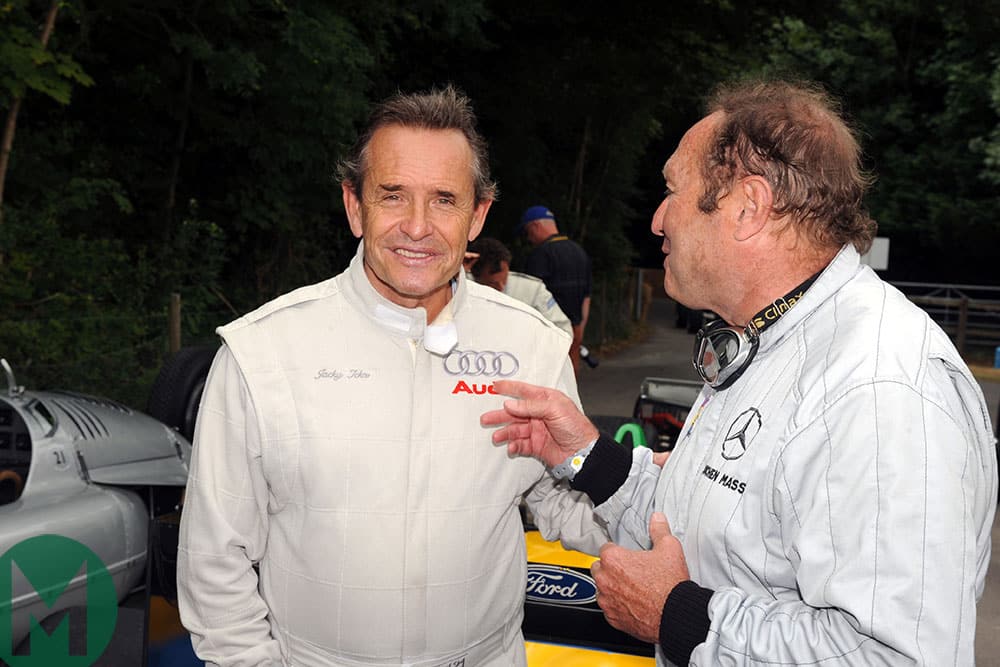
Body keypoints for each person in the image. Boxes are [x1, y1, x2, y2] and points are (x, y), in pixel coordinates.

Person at [482, 80, 998, 665]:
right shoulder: (772, 342)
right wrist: (586, 456)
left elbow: (893, 655)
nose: (656, 221)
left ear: (748, 207)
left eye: (672, 190)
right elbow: (702, 526)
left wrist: (678, 617)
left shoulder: (881, 389)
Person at [177, 85, 607, 667]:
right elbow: (214, 557)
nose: (417, 226)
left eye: (445, 200)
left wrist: (665, 519)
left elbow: (562, 501)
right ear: (354, 206)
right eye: (393, 195)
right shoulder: (261, 352)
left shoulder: (531, 344)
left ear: (478, 214)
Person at [518, 206, 592, 373]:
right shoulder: (580, 252)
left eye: (527, 232)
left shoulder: (540, 255)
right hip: (575, 331)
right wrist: (579, 331)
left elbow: (531, 297)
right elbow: (586, 297)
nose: (528, 238)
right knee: (570, 382)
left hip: (549, 335)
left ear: (535, 226)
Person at [466, 236, 573, 338]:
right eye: (492, 284)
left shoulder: (532, 290)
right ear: (475, 277)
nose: (501, 287)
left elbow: (563, 330)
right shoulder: (462, 287)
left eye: (504, 279)